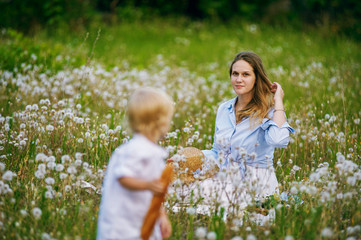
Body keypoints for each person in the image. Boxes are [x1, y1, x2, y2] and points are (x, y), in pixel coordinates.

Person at [202, 51, 294, 198]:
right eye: (235, 74)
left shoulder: (270, 111)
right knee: (182, 189)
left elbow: (278, 140)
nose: (239, 79)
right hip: (226, 182)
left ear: (257, 78)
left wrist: (278, 101)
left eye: (245, 74)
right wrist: (189, 157)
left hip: (257, 187)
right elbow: (216, 152)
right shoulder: (224, 109)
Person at [97, 87, 174, 240]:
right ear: (160, 122)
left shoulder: (152, 151)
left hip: (141, 218)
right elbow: (123, 177)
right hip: (122, 224)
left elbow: (156, 193)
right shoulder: (135, 150)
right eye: (168, 117)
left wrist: (162, 216)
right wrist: (147, 185)